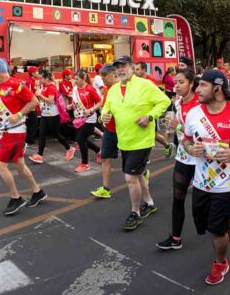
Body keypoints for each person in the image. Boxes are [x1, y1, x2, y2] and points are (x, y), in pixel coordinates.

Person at [179, 69, 230, 285]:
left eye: (202, 86)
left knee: (216, 233)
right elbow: (186, 141)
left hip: (227, 185)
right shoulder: (193, 114)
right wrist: (191, 150)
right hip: (200, 182)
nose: (197, 90)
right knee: (204, 226)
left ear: (217, 89)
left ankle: (220, 263)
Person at [102, 56, 171, 230]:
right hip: (124, 139)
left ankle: (135, 213)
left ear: (132, 67)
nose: (120, 70)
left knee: (130, 177)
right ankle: (149, 202)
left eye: (123, 66)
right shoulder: (113, 89)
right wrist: (104, 115)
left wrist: (150, 117)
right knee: (138, 174)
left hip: (142, 140)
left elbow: (165, 101)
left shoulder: (145, 85)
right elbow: (106, 107)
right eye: (117, 68)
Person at [0, 58, 47, 215]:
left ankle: (16, 197)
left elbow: (34, 101)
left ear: (2, 71)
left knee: (0, 166)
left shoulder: (16, 85)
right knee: (20, 165)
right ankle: (37, 191)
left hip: (14, 132)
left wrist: (19, 114)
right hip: (6, 131)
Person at [157, 68, 200, 250]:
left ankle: (227, 224)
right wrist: (172, 129)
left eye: (181, 82)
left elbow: (202, 134)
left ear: (191, 84)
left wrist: (179, 126)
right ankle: (175, 238)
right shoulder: (178, 103)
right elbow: (177, 127)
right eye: (175, 82)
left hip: (200, 158)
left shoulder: (201, 105)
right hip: (183, 156)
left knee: (201, 205)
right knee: (178, 197)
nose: (177, 86)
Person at [28, 70, 75, 164]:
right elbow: (39, 96)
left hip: (53, 114)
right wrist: (38, 89)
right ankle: (40, 155)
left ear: (46, 78)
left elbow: (50, 100)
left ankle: (70, 148)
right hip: (45, 113)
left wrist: (40, 95)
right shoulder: (44, 86)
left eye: (41, 78)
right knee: (41, 134)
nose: (39, 80)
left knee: (56, 134)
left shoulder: (51, 86)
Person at [91, 64, 120, 198]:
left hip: (123, 129)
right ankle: (105, 188)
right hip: (109, 129)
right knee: (105, 158)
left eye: (104, 75)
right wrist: (103, 116)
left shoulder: (121, 88)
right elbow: (104, 106)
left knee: (129, 162)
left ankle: (142, 173)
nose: (101, 78)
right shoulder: (107, 89)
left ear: (113, 74)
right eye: (101, 75)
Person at [134, 61, 175, 158]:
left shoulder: (150, 80)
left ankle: (166, 146)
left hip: (150, 112)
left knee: (151, 134)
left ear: (144, 70)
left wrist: (151, 113)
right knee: (145, 134)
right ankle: (166, 146)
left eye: (138, 69)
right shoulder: (135, 80)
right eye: (135, 69)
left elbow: (156, 97)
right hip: (138, 111)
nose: (135, 72)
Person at [70, 70, 102, 173]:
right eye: (74, 79)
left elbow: (100, 102)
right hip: (79, 118)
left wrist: (91, 109)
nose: (75, 81)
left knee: (80, 139)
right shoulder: (75, 89)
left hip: (89, 118)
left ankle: (85, 163)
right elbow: (75, 102)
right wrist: (70, 106)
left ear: (83, 78)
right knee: (81, 139)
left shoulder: (90, 89)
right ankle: (98, 151)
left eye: (77, 79)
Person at [24, 66, 40, 146]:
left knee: (33, 123)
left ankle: (29, 139)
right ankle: (29, 140)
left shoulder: (33, 82)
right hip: (31, 107)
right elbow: (29, 95)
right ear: (33, 73)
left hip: (34, 106)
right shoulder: (30, 82)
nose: (38, 73)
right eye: (37, 71)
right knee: (33, 123)